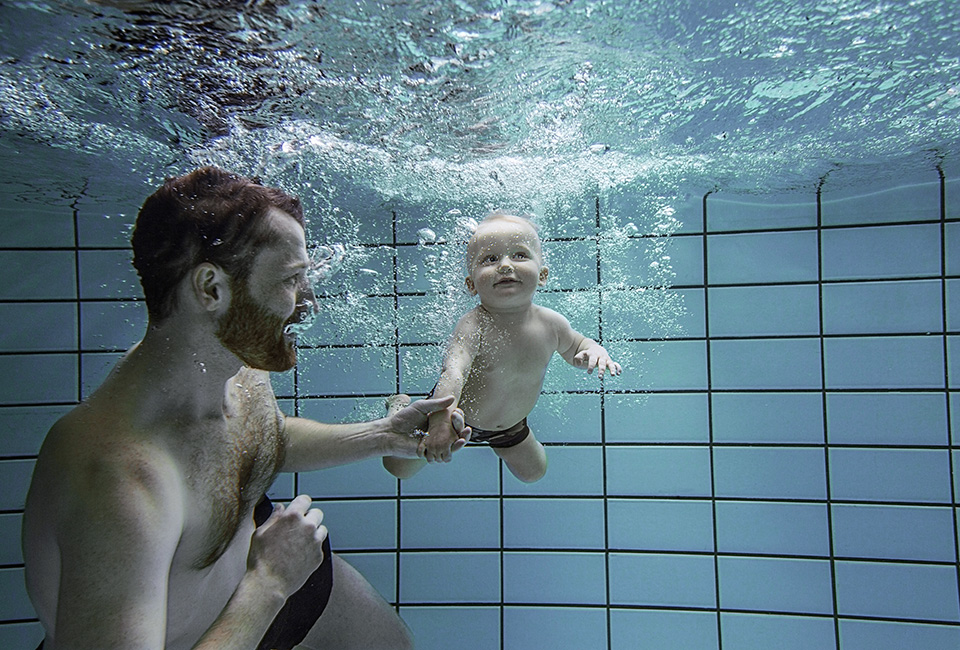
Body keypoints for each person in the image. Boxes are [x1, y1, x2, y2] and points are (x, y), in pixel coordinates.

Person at [21, 166, 470, 650]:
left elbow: (262, 439)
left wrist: (383, 435)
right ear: (211, 289)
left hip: (263, 584)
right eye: (292, 280)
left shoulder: (239, 368)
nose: (310, 301)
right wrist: (269, 584)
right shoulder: (118, 478)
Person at [383, 212, 621, 484]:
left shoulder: (552, 324)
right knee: (397, 467)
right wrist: (438, 423)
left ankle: (495, 441)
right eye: (490, 259)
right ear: (471, 284)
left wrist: (593, 351)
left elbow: (577, 346)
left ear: (542, 275)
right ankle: (398, 411)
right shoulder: (474, 323)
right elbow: (453, 372)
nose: (505, 265)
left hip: (509, 426)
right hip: (451, 416)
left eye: (520, 255)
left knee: (534, 473)